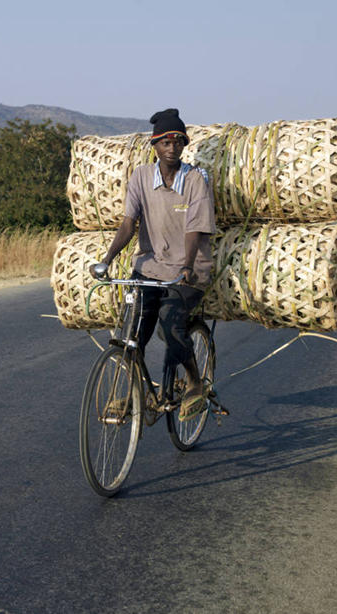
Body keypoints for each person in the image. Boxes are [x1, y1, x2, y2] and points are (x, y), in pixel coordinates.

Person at [89, 108, 216, 422]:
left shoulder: (196, 180)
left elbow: (194, 228)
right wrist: (106, 260)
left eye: (177, 141)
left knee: (171, 327)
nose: (171, 148)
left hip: (188, 270)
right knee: (132, 332)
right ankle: (139, 391)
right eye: (165, 142)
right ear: (154, 146)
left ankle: (195, 382)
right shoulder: (141, 177)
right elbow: (128, 223)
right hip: (147, 270)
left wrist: (186, 266)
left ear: (184, 145)